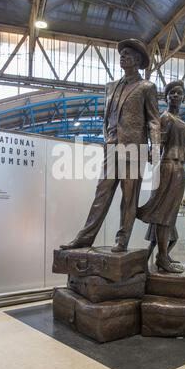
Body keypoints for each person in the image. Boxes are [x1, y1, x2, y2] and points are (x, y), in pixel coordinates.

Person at [60, 38, 160, 252]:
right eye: (121, 53)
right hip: (112, 146)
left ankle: (122, 240)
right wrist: (107, 139)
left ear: (138, 59)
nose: (122, 56)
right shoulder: (111, 87)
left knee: (129, 196)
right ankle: (85, 237)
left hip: (135, 148)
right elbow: (107, 118)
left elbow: (153, 120)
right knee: (102, 193)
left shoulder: (146, 87)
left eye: (127, 53)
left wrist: (155, 147)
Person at [137, 80, 185, 273]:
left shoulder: (183, 123)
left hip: (180, 169)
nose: (175, 95)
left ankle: (163, 255)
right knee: (163, 214)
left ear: (184, 96)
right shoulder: (166, 118)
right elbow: (158, 141)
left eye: (179, 93)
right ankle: (161, 257)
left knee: (170, 215)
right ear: (166, 97)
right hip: (168, 166)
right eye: (171, 93)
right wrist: (152, 154)